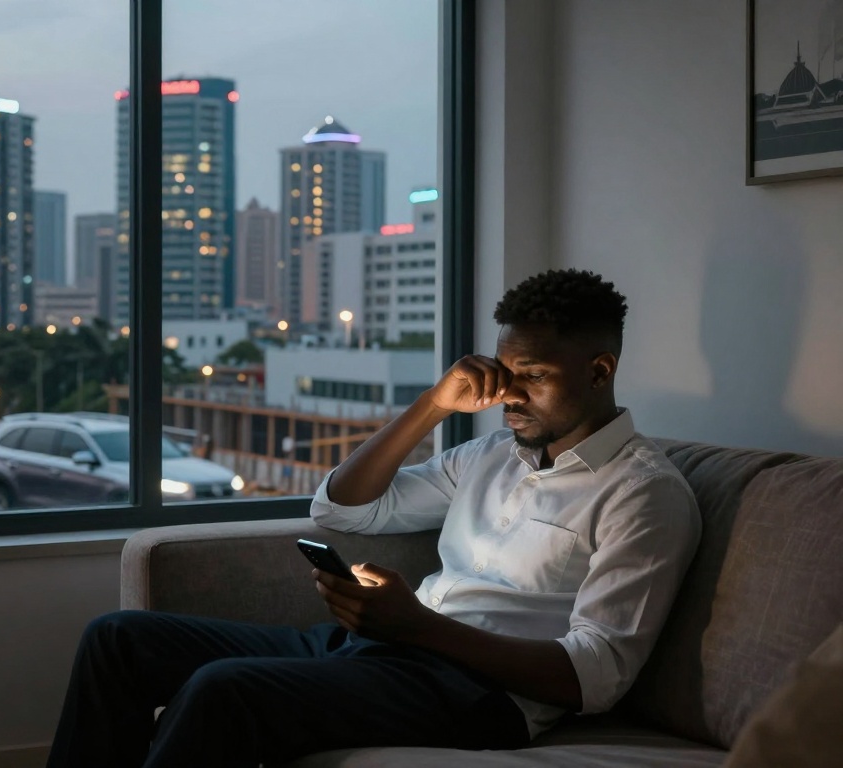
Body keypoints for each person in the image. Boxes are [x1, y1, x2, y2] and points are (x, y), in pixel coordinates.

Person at [45, 269, 702, 768]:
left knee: (225, 690)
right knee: (118, 639)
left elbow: (594, 676)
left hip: (474, 694)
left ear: (599, 371)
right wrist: (433, 406)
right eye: (503, 372)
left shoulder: (644, 495)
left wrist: (416, 625)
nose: (507, 393)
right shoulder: (491, 455)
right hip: (380, 653)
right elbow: (342, 507)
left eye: (531, 375)